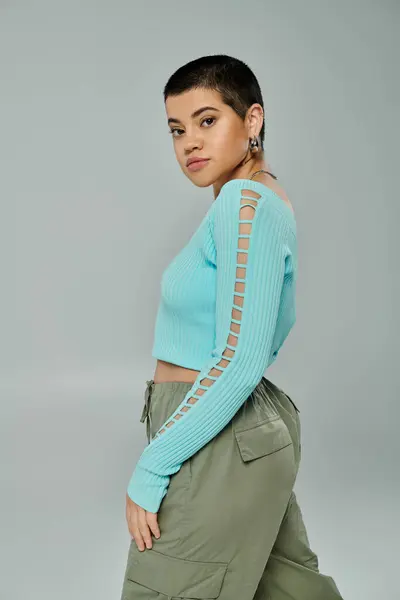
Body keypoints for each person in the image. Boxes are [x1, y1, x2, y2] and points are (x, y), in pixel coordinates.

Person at [119, 55, 344, 600]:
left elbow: (241, 360)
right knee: (290, 590)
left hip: (216, 433)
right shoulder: (249, 200)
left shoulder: (247, 204)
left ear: (253, 120)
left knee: (165, 590)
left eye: (207, 120)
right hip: (232, 430)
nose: (189, 143)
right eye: (177, 129)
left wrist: (151, 468)